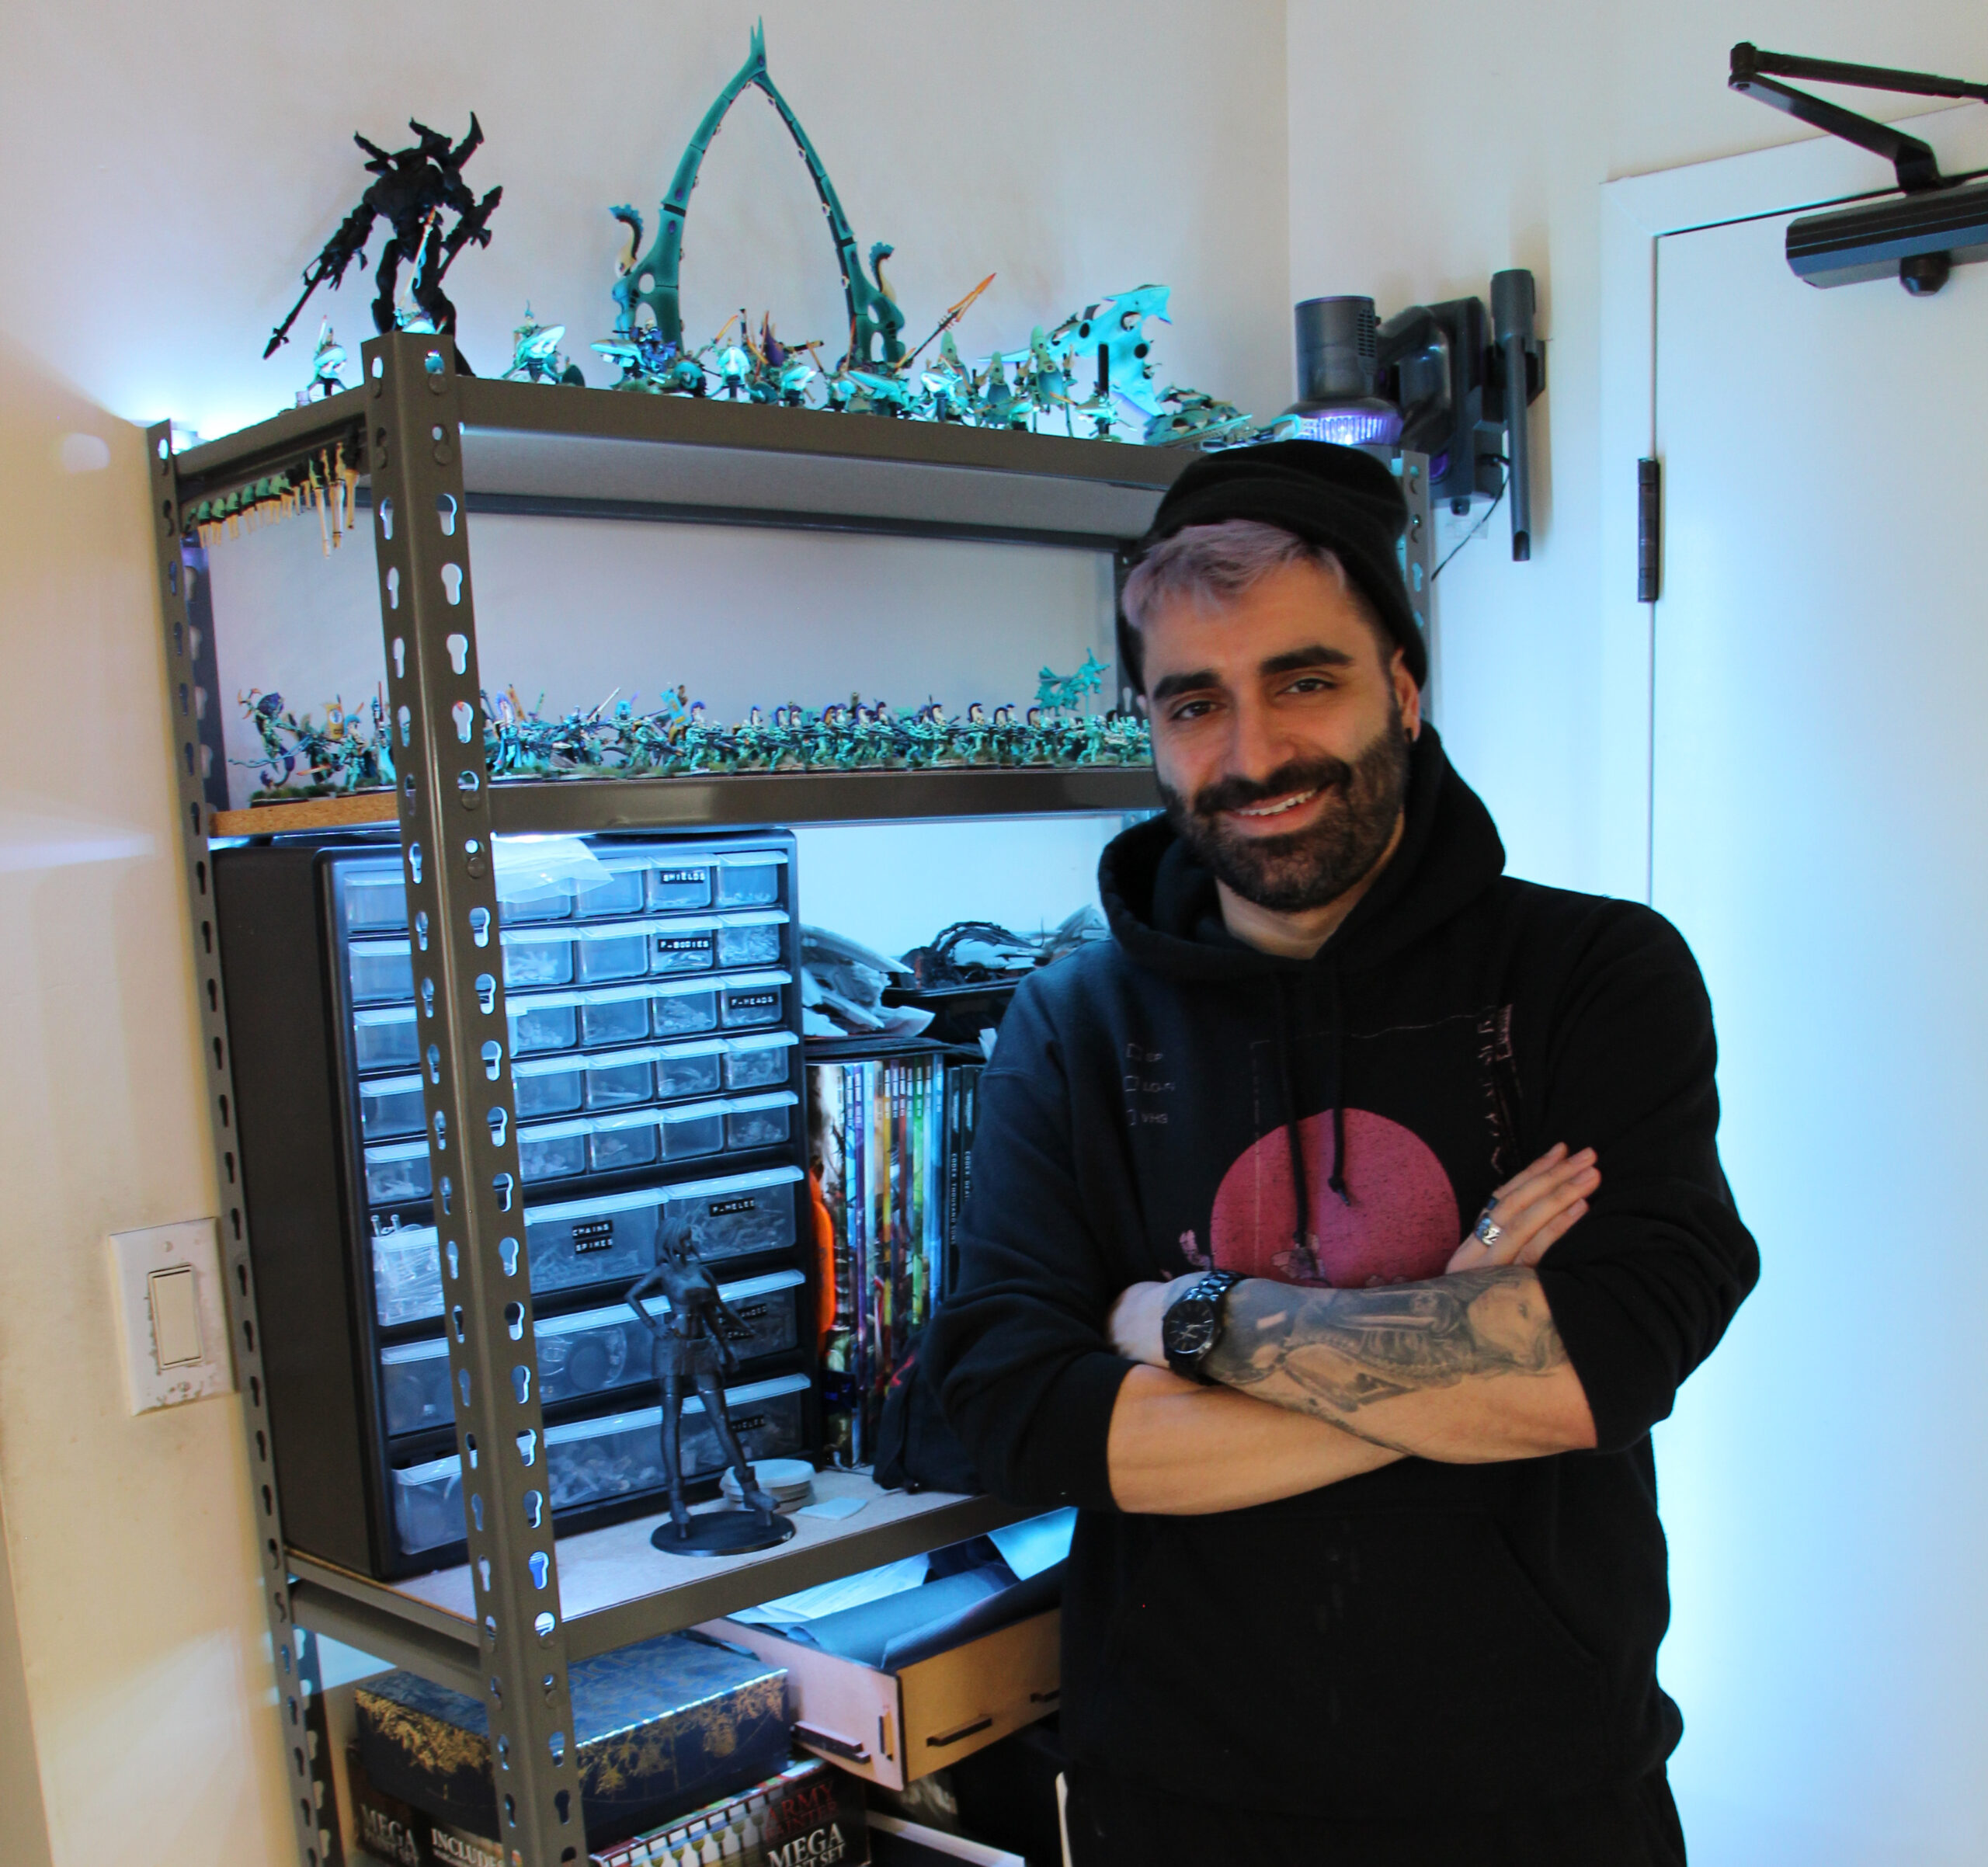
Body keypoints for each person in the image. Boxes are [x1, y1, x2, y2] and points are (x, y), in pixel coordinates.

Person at [925, 443, 1758, 1865]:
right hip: (1176, 1812)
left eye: (1304, 680)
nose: (1252, 755)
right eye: (1196, 702)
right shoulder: (1069, 1026)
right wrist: (1466, 1305)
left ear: (1407, 689)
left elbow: (1606, 1358)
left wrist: (1183, 1322)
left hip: (1546, 1807)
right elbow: (1009, 1404)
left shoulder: (1596, 976)